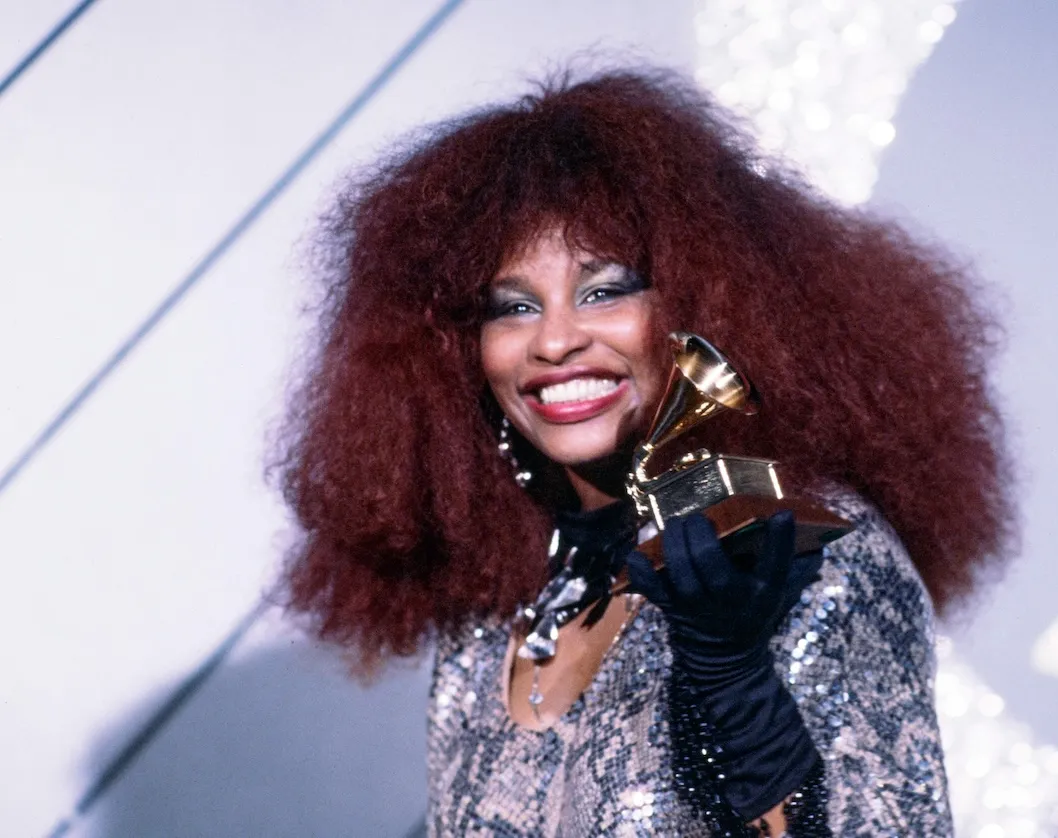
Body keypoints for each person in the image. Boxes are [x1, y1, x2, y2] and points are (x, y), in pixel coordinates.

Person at [271, 68, 1013, 836]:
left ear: (705, 305)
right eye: (514, 307)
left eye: (604, 291)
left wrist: (737, 691)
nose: (555, 340)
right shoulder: (496, 614)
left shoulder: (807, 555)